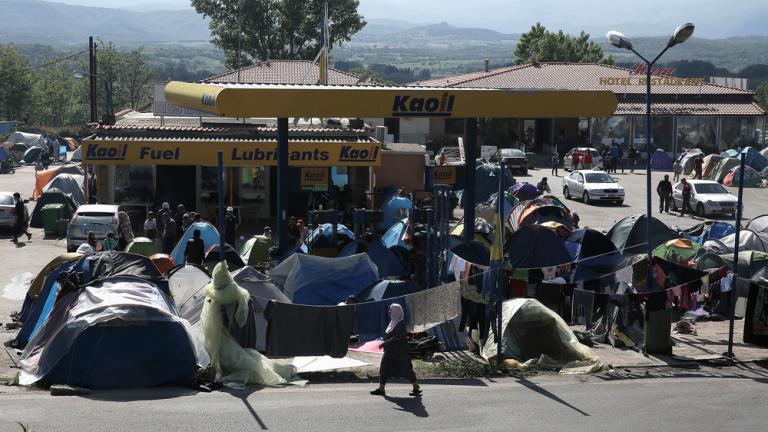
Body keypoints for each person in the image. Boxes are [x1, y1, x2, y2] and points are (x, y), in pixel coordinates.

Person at [370, 303, 421, 397]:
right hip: (390, 351)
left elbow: (399, 337)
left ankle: (416, 387)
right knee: (384, 368)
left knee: (406, 369)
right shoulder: (393, 322)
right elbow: (391, 335)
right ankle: (381, 389)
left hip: (400, 351)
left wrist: (384, 343)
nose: (389, 312)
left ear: (396, 312)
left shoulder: (400, 323)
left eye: (391, 310)